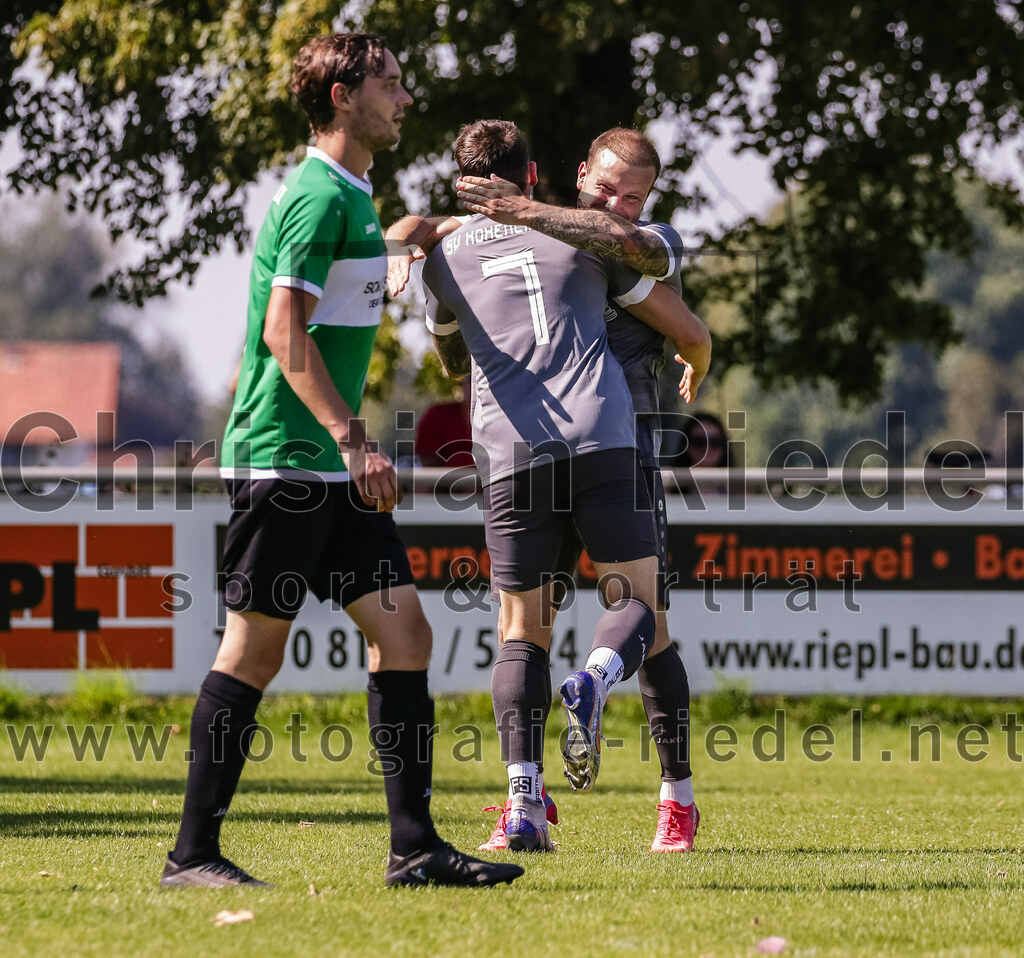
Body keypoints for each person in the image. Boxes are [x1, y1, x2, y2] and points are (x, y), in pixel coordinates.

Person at [161, 34, 522, 890]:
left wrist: (420, 240)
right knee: (252, 654)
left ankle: (415, 849)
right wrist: (356, 440)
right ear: (339, 95)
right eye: (388, 84)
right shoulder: (318, 197)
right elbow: (284, 334)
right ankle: (191, 857)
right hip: (287, 460)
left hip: (327, 466)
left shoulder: (355, 196)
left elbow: (371, 262)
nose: (404, 98)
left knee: (405, 632)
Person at [420, 120, 711, 854]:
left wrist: (417, 244)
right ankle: (586, 723)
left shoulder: (594, 239)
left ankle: (619, 798)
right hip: (606, 444)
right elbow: (691, 330)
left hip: (539, 451)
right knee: (634, 616)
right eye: (608, 188)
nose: (618, 202)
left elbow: (449, 350)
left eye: (633, 195)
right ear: (567, 171)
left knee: (531, 633)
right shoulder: (586, 243)